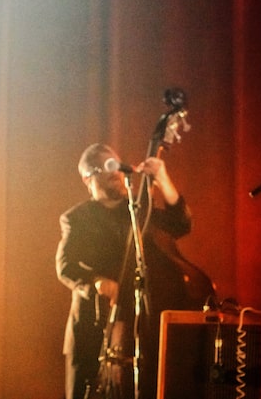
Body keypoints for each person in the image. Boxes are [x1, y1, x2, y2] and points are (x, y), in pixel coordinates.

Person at [55, 143, 196, 399]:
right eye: (106, 167)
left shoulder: (137, 211)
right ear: (88, 178)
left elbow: (181, 225)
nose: (116, 173)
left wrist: (163, 179)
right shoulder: (76, 218)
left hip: (135, 331)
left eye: (117, 166)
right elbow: (65, 266)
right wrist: (96, 281)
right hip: (93, 329)